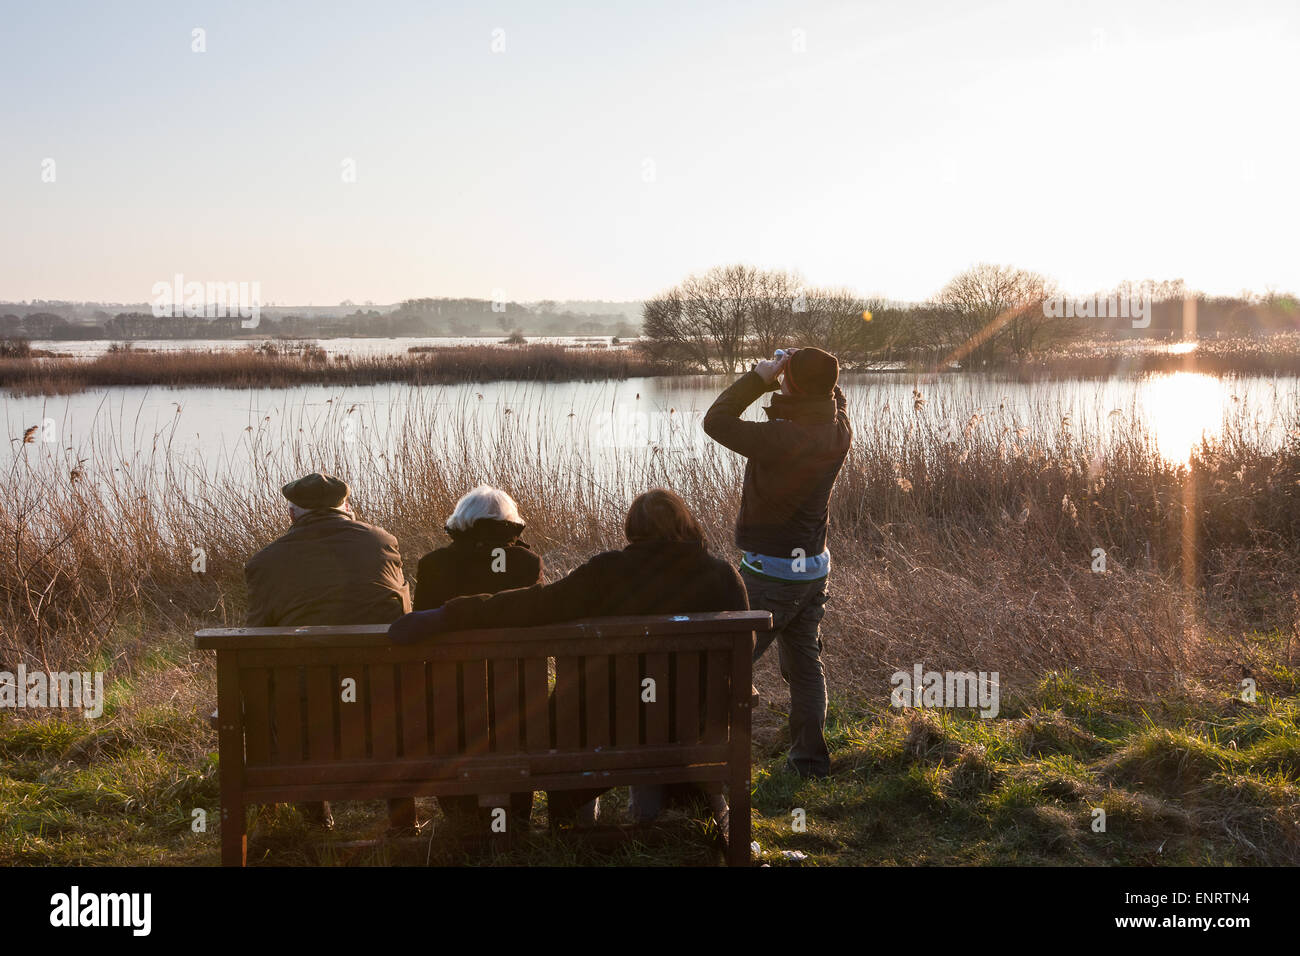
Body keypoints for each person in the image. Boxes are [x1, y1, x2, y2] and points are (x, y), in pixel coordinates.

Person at [389, 487, 748, 827]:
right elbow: (744, 652)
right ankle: (681, 809)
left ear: (632, 530)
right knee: (660, 715)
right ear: (687, 525)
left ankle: (574, 822)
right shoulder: (722, 576)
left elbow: (533, 604)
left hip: (607, 727)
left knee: (580, 709)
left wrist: (448, 614)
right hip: (696, 728)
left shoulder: (606, 573)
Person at [702, 347, 851, 778]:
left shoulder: (782, 438)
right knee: (805, 666)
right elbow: (832, 395)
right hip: (814, 569)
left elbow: (716, 421)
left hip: (772, 573)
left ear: (794, 385)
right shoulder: (838, 430)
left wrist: (760, 377)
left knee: (725, 665)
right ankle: (809, 763)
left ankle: (702, 766)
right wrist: (803, 376)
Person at [244, 471, 413, 830]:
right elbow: (404, 614)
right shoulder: (382, 542)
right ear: (346, 506)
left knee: (291, 694)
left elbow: (256, 641)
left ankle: (317, 822)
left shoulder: (266, 561)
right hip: (385, 702)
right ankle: (403, 823)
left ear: (292, 514)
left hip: (304, 716)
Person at [412, 485, 542, 828]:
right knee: (517, 730)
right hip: (516, 695)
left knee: (447, 725)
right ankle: (513, 819)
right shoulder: (527, 564)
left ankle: (465, 819)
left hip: (448, 696)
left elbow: (421, 626)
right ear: (509, 522)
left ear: (462, 521)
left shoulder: (433, 564)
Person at [413, 485, 541, 611]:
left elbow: (420, 621)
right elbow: (537, 618)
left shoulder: (432, 563)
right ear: (511, 520)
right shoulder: (527, 562)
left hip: (450, 630)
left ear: (460, 517)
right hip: (509, 632)